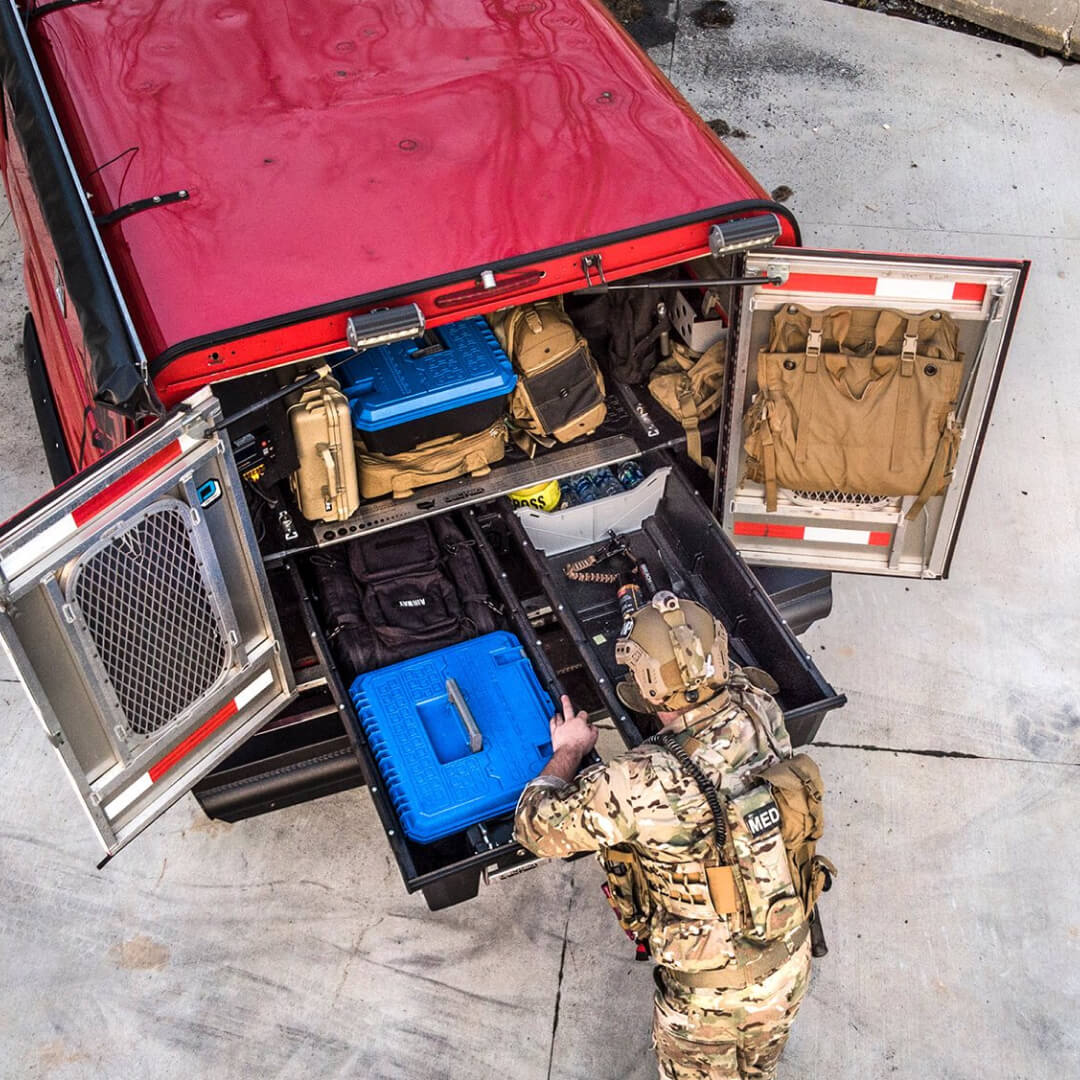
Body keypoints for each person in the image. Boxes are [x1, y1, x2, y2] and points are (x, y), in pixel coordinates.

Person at [515, 591, 830, 1080]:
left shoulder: (638, 781)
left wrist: (569, 752)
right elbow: (726, 685)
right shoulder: (760, 709)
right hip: (788, 965)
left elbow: (536, 827)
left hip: (705, 1006)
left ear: (641, 684)